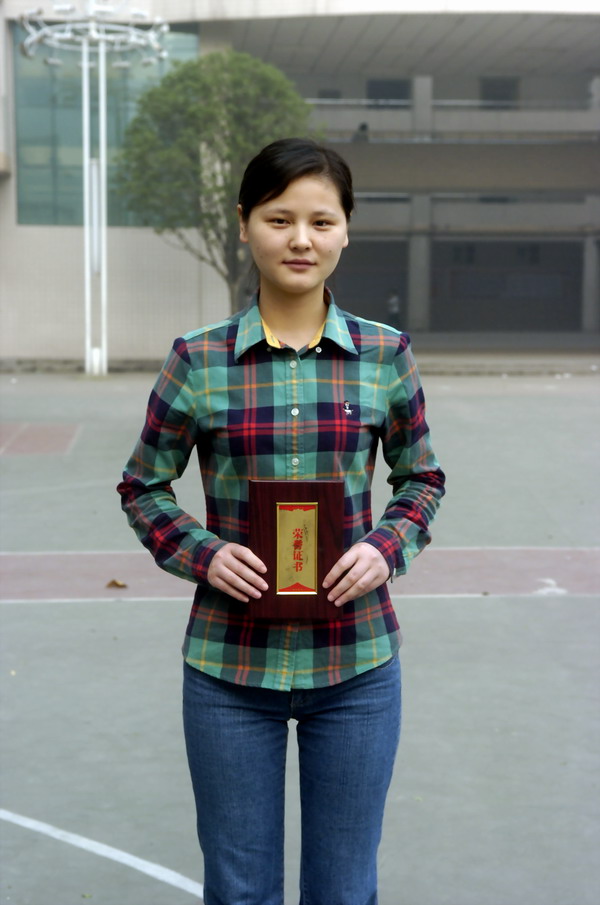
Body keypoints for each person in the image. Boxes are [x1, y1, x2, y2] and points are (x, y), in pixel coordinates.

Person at [117, 137, 445, 905]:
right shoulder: (197, 360)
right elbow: (143, 486)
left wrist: (385, 547)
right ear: (244, 224)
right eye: (279, 218)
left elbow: (421, 478)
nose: (301, 239)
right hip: (229, 669)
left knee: (344, 888)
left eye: (321, 221)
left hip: (357, 665)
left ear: (345, 230)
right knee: (239, 890)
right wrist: (202, 553)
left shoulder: (385, 354)